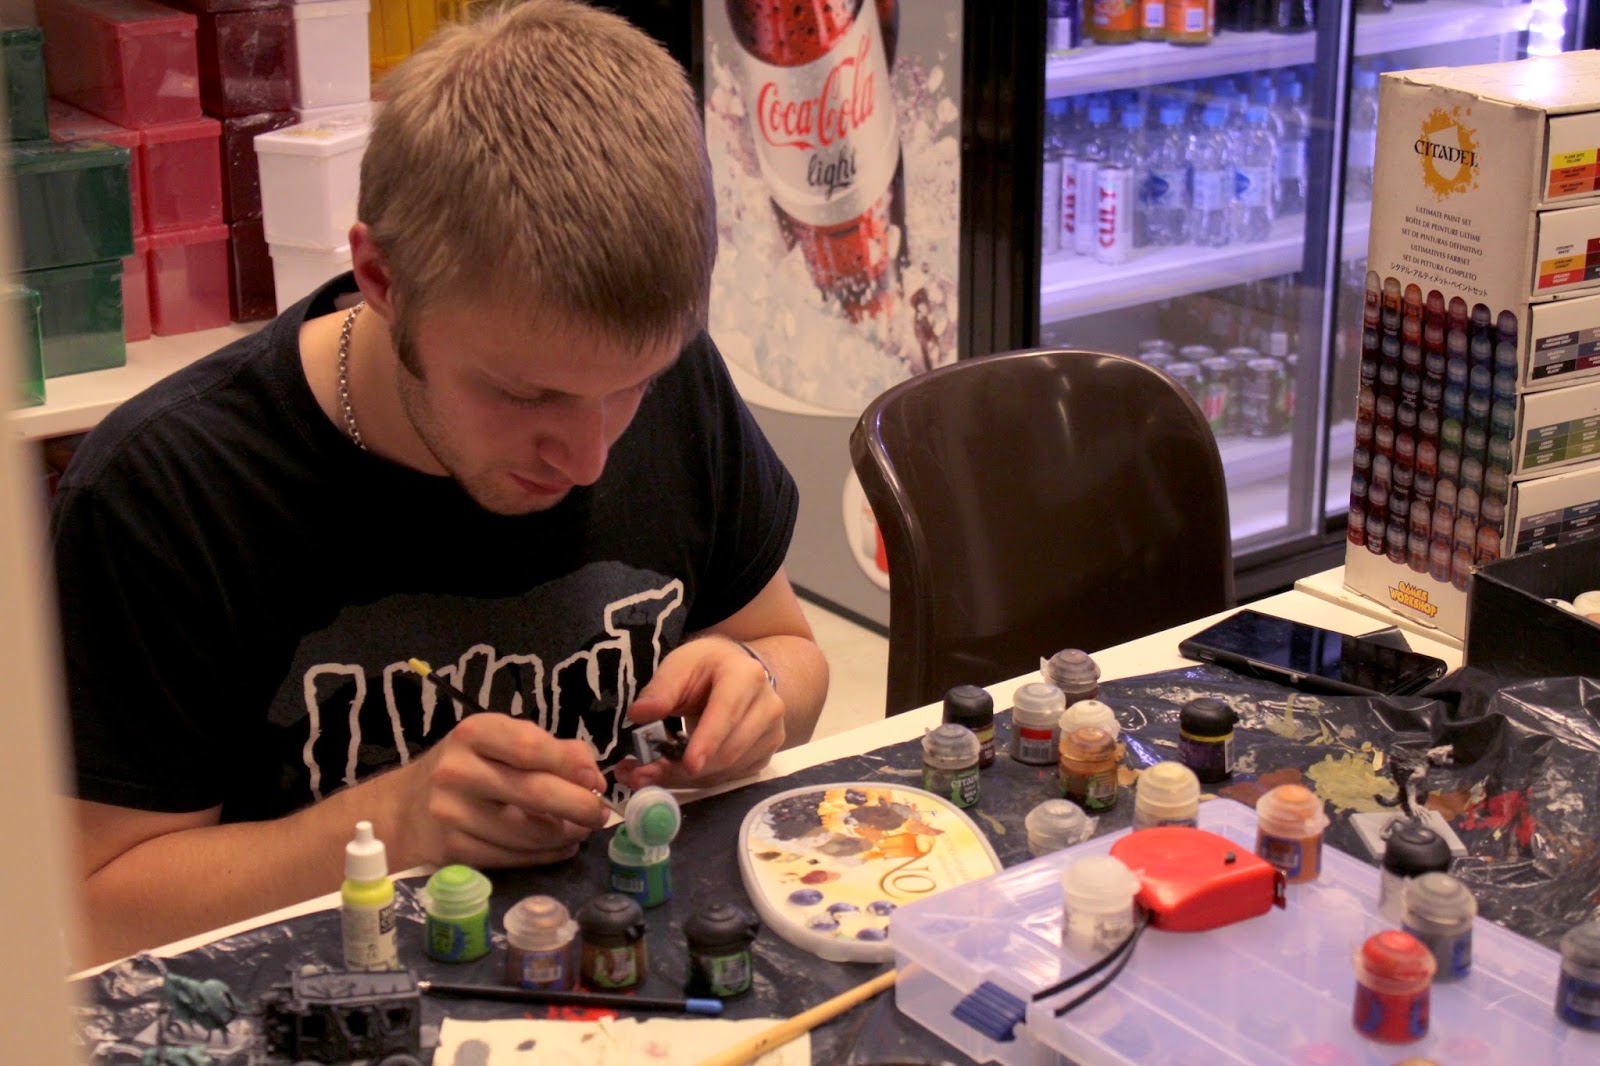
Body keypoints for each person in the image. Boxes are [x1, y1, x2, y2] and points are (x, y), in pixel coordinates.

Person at [50, 0, 828, 965]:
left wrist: (758, 690)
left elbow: (787, 650)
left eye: (631, 388)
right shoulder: (164, 492)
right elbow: (91, 907)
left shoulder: (674, 380)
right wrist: (392, 826)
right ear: (383, 278)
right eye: (523, 394)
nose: (588, 457)